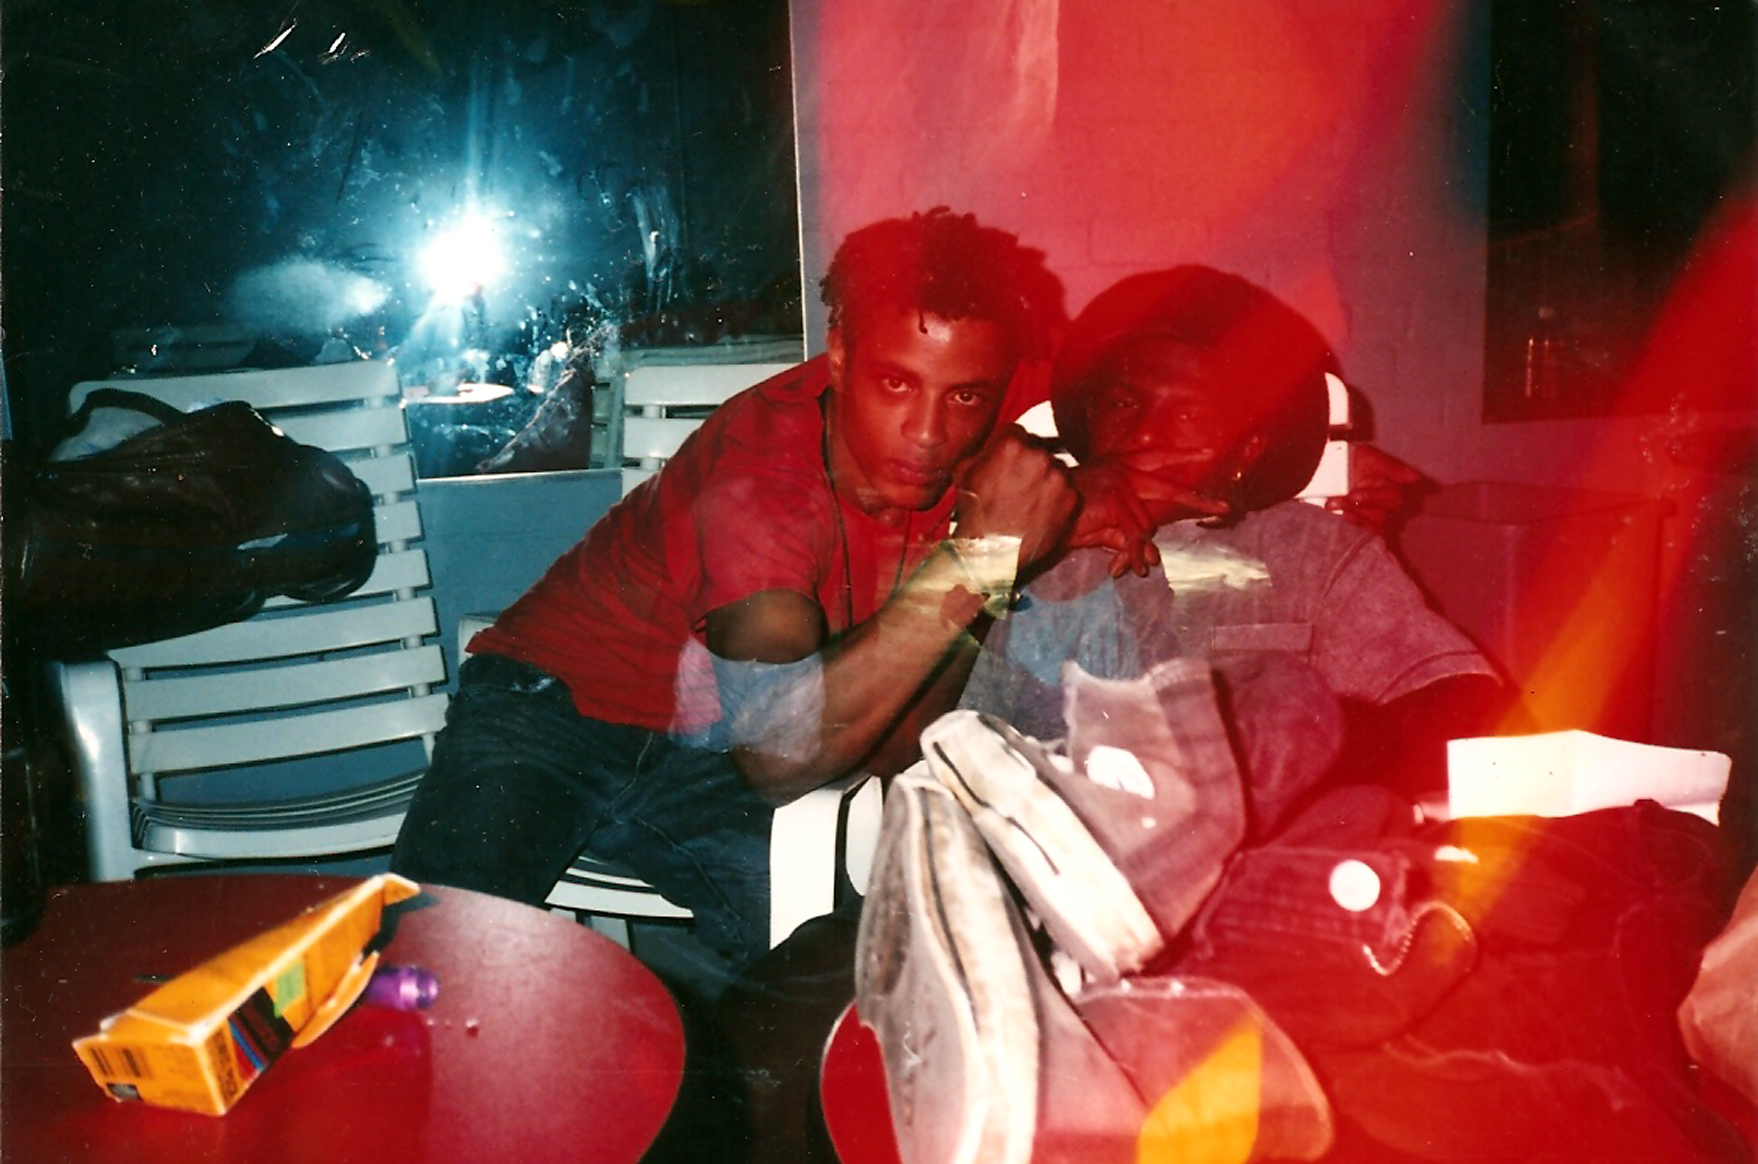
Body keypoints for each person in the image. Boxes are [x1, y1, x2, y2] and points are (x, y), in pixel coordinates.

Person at [391, 208, 1083, 970]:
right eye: (895, 383)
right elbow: (777, 752)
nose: (927, 434)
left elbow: (1142, 393)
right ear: (840, 355)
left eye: (966, 398)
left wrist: (1120, 485)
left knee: (894, 954)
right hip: (552, 709)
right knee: (424, 968)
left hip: (707, 751)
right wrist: (978, 564)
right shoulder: (759, 474)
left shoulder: (996, 390)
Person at [959, 265, 1507, 832]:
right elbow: (960, 735)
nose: (1144, 435)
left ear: (1247, 449)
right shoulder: (1026, 541)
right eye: (1123, 404)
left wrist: (1289, 755)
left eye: (1188, 414)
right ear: (1090, 417)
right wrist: (1042, 544)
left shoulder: (1310, 549)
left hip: (1273, 848)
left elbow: (1463, 706)